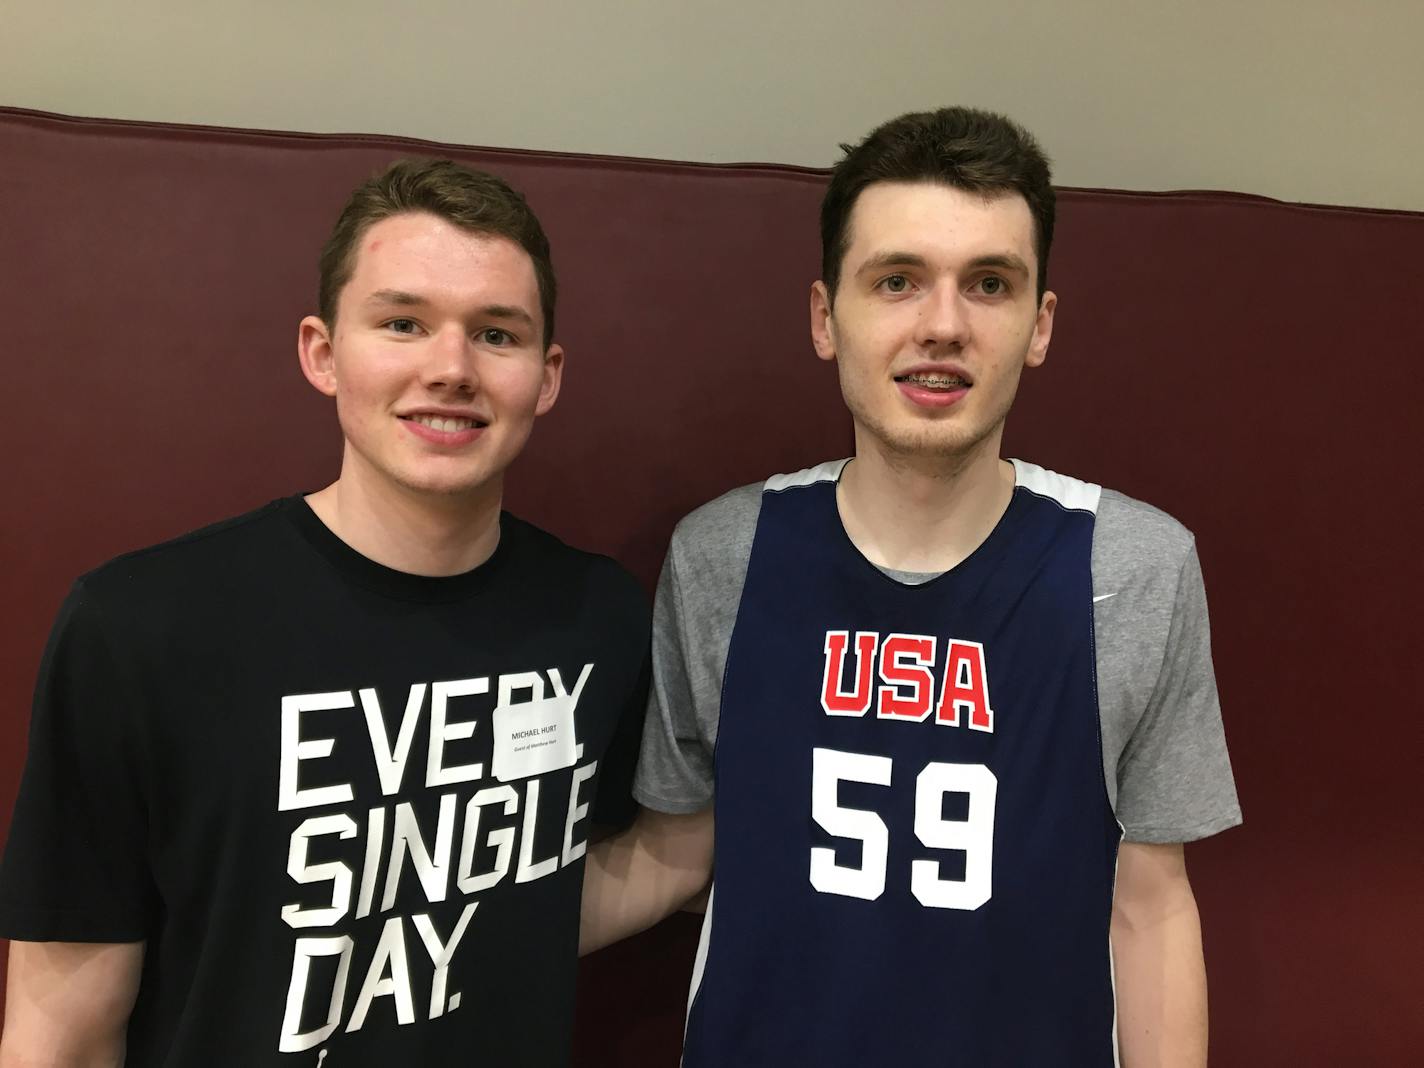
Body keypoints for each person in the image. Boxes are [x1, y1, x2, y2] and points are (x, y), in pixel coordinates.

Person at [581, 106, 1240, 1066]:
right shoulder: (724, 554)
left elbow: (1150, 904)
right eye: (896, 281)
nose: (942, 325)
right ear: (824, 316)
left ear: (1040, 324)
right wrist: (433, 931)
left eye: (989, 284)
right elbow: (680, 851)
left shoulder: (1135, 565)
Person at [0, 158, 648, 1066]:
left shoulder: (601, 616)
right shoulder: (138, 627)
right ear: (322, 352)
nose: (450, 367)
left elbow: (551, 892)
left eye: (496, 334)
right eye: (402, 323)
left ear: (546, 377)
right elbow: (60, 1028)